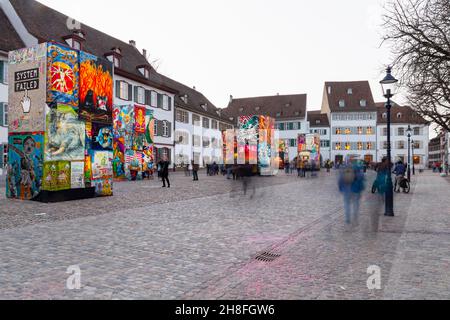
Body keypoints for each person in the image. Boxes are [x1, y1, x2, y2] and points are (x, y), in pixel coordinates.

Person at [338, 160, 365, 226]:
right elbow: (362, 179)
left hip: (346, 191)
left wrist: (341, 189)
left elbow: (340, 180)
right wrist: (361, 188)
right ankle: (355, 219)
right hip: (356, 191)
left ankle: (348, 219)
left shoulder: (345, 171)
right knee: (356, 205)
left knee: (347, 205)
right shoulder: (358, 171)